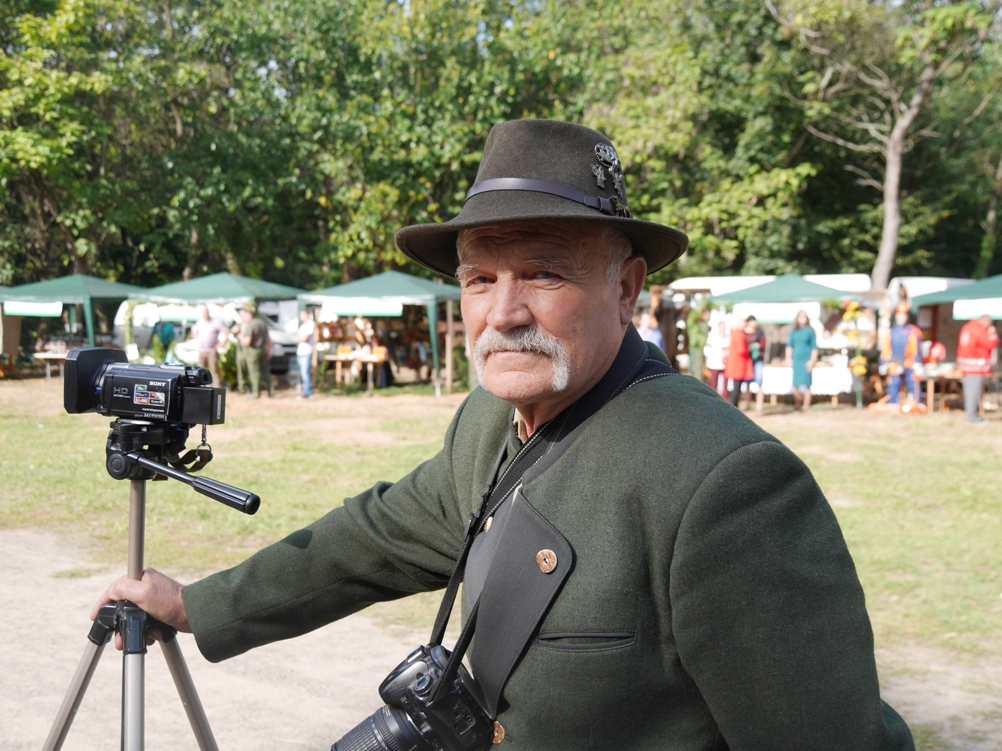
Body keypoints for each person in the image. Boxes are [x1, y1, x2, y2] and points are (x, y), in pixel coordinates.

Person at [92, 120, 911, 749]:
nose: (504, 311)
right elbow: (371, 538)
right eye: (480, 278)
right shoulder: (489, 423)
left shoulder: (724, 483)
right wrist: (200, 604)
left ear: (626, 288)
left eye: (544, 272)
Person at [957, 314, 999, 426]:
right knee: (974, 393)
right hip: (975, 368)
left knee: (971, 392)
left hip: (967, 367)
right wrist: (992, 333)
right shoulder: (979, 330)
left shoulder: (968, 327)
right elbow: (991, 343)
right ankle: (971, 417)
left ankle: (972, 415)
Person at [880, 302, 923, 407]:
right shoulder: (892, 332)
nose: (901, 318)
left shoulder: (913, 331)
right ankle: (893, 405)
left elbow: (915, 348)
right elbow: (886, 348)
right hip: (895, 361)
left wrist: (917, 363)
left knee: (913, 383)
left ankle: (916, 405)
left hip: (909, 362)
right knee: (894, 384)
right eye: (899, 315)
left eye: (903, 315)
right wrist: (883, 362)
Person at [237, 303, 273, 398]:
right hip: (264, 350)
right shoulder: (261, 323)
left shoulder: (251, 325)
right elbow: (268, 339)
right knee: (265, 372)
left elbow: (248, 342)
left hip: (253, 352)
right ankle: (271, 392)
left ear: (250, 315)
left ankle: (256, 394)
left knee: (254, 373)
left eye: (245, 315)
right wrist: (269, 351)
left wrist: (240, 337)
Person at [785, 310, 818, 411]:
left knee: (807, 384)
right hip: (797, 359)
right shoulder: (794, 331)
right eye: (800, 317)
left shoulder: (810, 331)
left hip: (806, 359)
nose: (802, 319)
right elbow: (789, 346)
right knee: (795, 385)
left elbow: (814, 347)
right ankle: (797, 404)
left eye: (804, 317)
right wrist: (788, 358)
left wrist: (812, 360)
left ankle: (806, 406)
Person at [190, 306, 229, 387]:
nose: (205, 314)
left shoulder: (216, 322)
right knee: (200, 370)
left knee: (214, 369)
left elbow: (226, 332)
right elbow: (194, 332)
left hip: (212, 350)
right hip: (202, 350)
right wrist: (198, 339)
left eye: (206, 312)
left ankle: (218, 387)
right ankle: (200, 387)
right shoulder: (199, 322)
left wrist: (221, 344)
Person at [293, 308, 317, 399]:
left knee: (305, 373)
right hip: (301, 352)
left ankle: (308, 392)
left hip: (307, 351)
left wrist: (299, 339)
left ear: (307, 314)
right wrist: (299, 339)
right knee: (304, 373)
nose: (300, 316)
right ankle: (306, 391)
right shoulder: (303, 325)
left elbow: (305, 338)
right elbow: (297, 338)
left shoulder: (310, 324)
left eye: (302, 314)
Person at [703, 320, 728, 396]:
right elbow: (707, 349)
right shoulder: (713, 337)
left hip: (725, 363)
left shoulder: (728, 337)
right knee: (714, 382)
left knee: (725, 384)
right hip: (715, 363)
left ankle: (725, 398)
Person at [685, 305, 709, 383]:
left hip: (698, 348)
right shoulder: (698, 324)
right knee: (696, 368)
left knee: (697, 368)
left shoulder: (701, 324)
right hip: (696, 348)